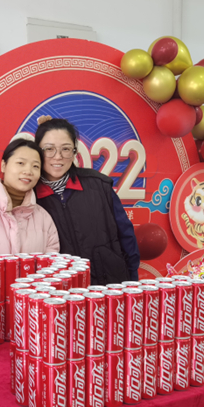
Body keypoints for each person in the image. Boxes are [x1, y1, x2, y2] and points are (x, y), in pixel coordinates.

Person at [34, 116, 140, 284]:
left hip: (110, 286)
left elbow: (126, 235)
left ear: (74, 152)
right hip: (61, 292)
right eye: (49, 149)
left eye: (66, 149)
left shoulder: (98, 185)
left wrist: (132, 280)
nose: (58, 156)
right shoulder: (30, 198)